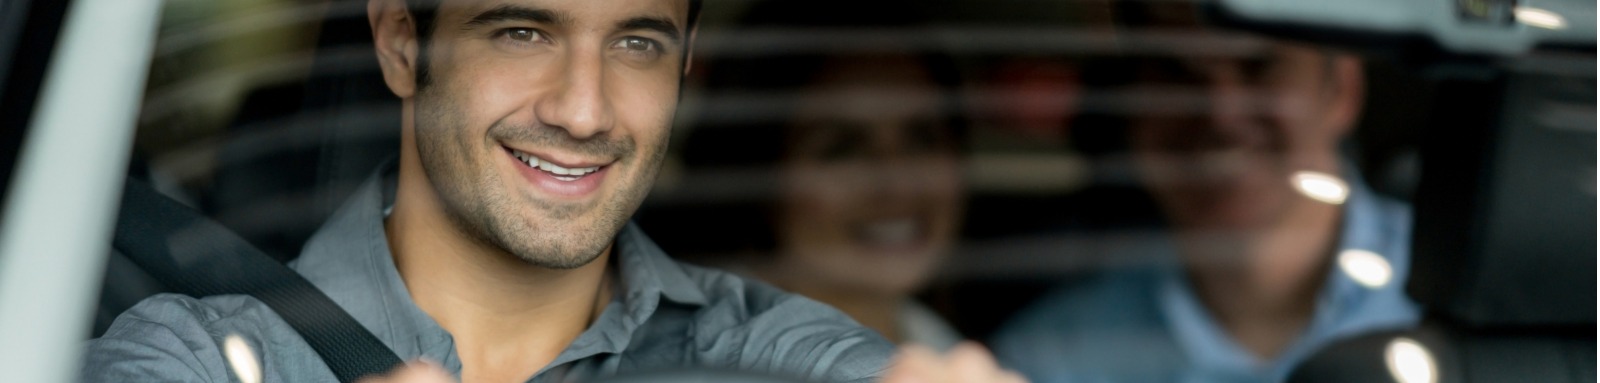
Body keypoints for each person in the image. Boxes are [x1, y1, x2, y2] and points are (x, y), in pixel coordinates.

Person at [82, 0, 1024, 382]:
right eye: (521, 31)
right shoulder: (204, 355)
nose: (584, 110)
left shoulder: (766, 351)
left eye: (636, 43)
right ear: (402, 42)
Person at [989, 11, 1419, 383]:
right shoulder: (1047, 359)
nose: (1221, 110)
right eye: (1176, 72)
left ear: (1341, 90)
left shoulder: (1462, 290)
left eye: (1257, 64)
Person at [667, 0, 968, 350]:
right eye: (842, 149)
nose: (897, 183)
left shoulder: (944, 351)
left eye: (922, 139)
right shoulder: (688, 360)